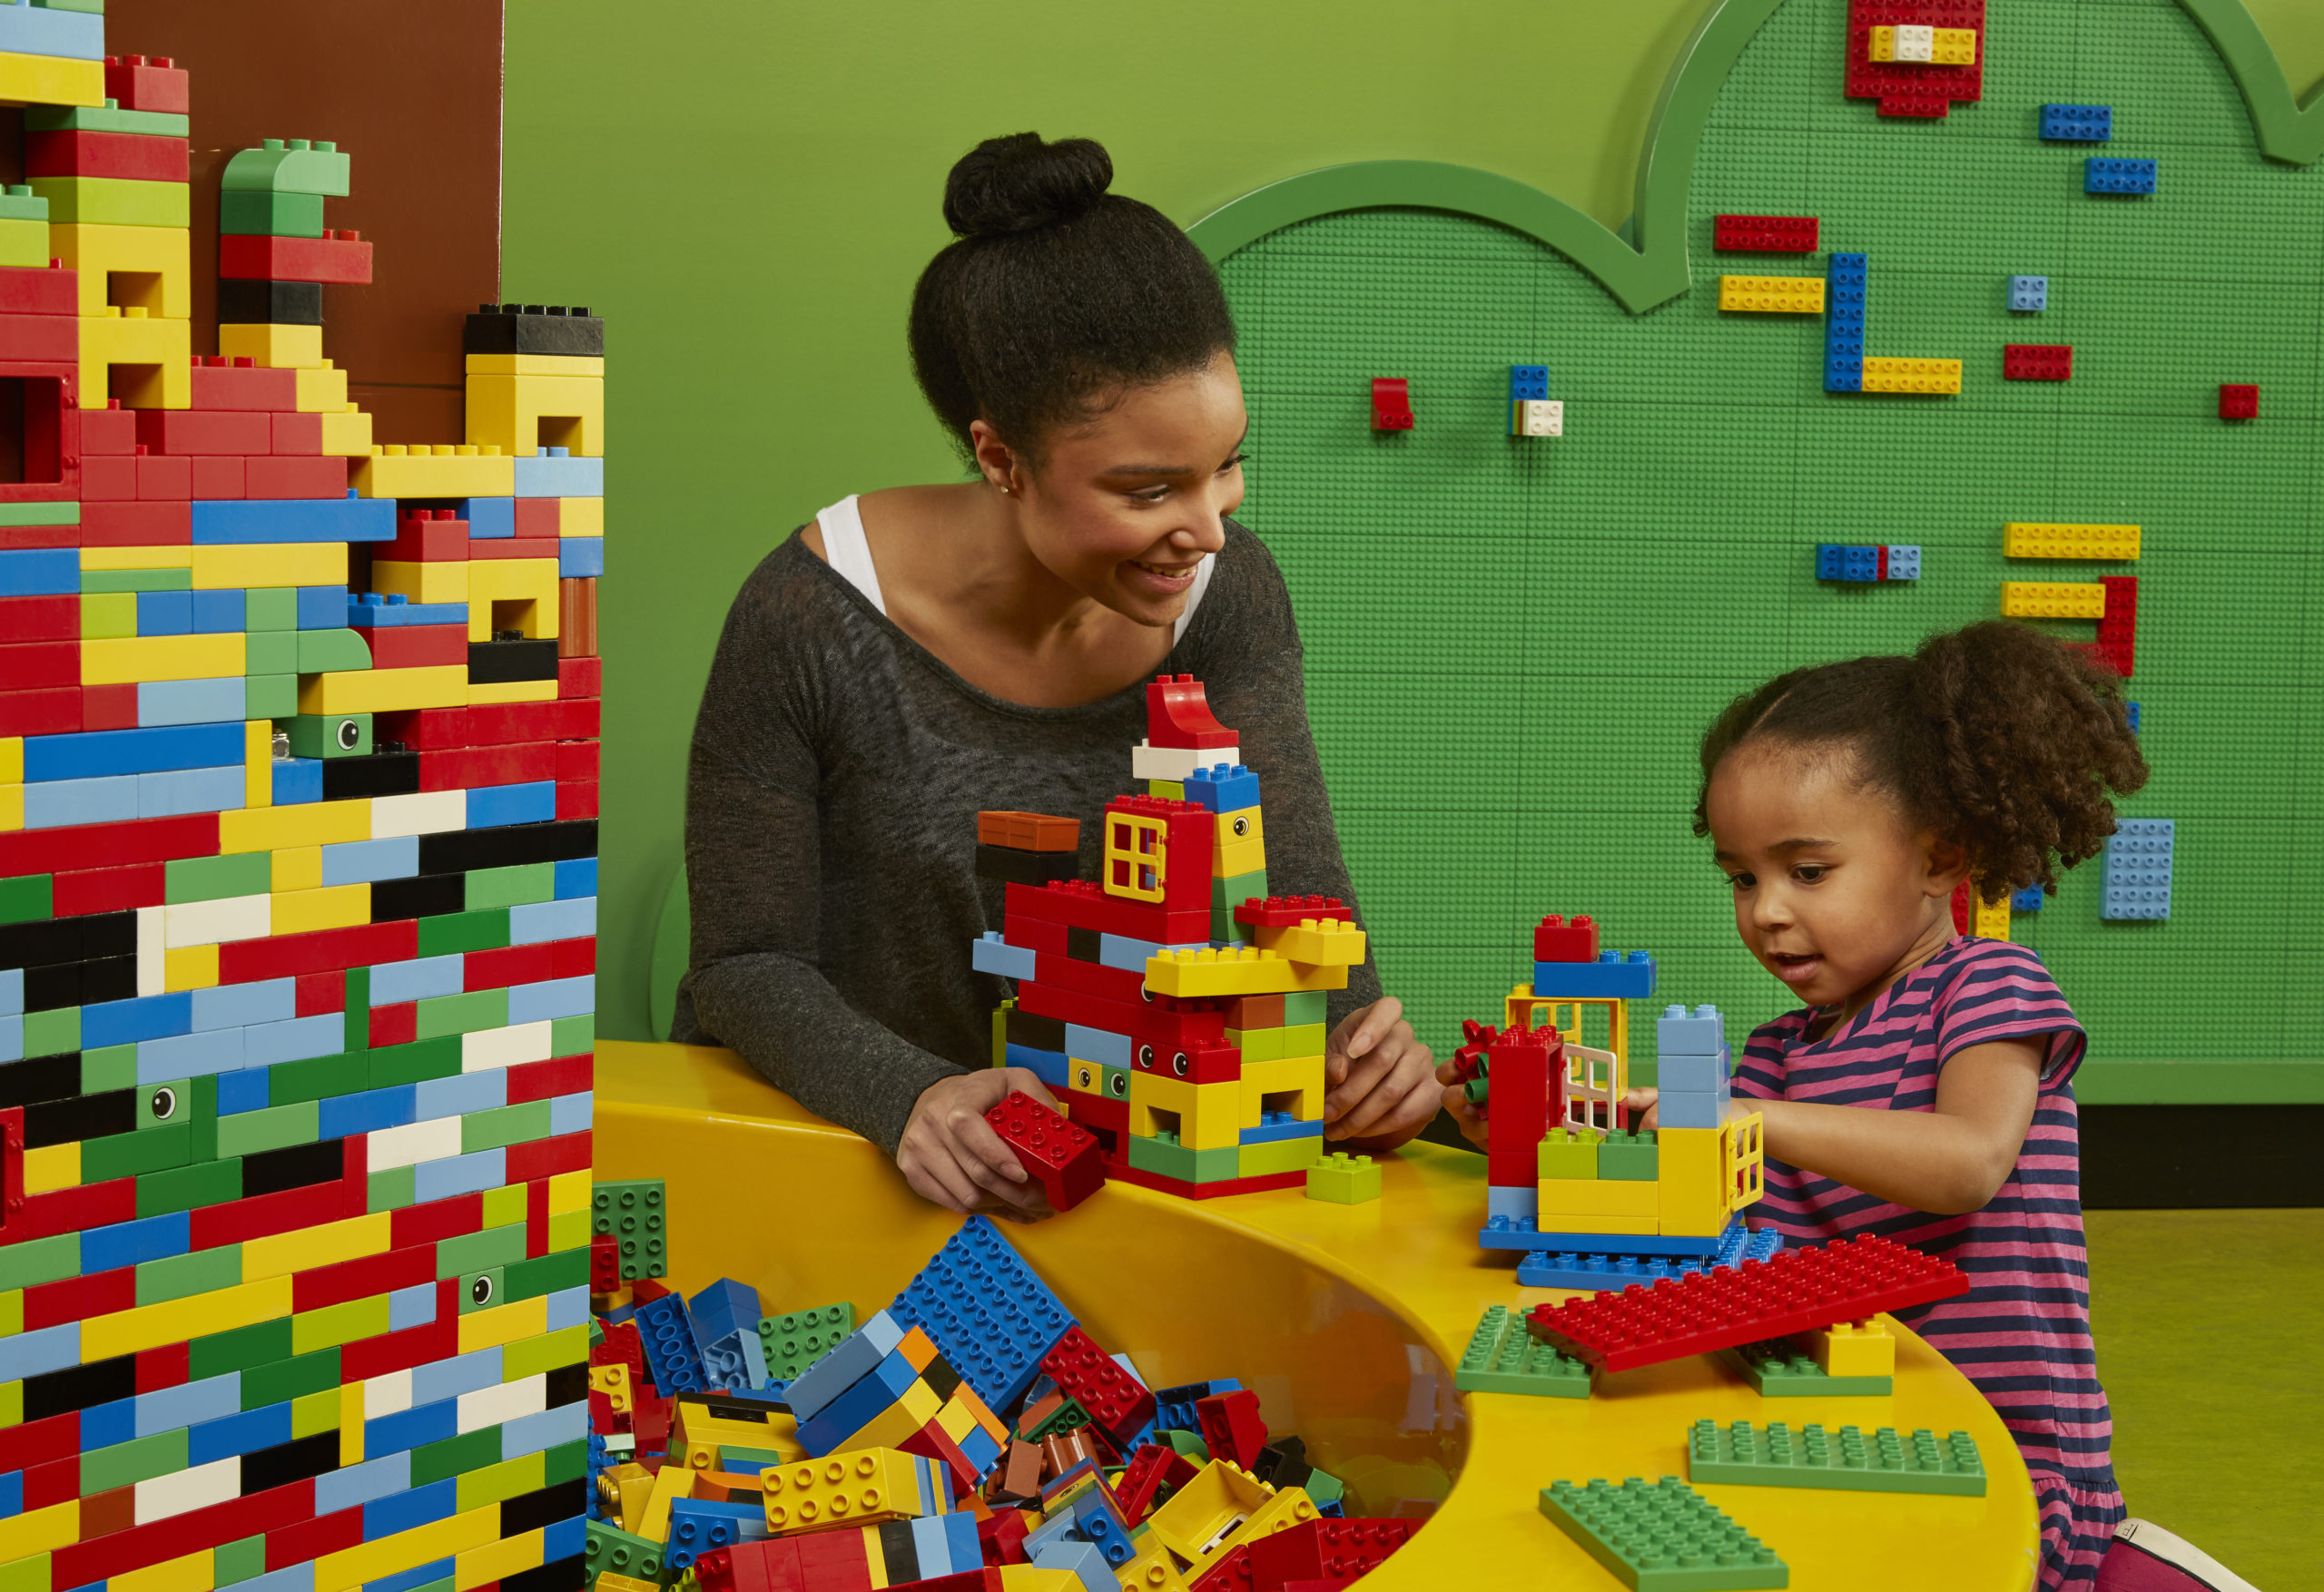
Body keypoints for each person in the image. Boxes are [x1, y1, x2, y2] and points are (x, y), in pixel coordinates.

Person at [675, 133, 1442, 1217]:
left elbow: (1293, 908)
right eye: (1146, 489)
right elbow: (747, 963)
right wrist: (913, 1095)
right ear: (999, 459)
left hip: (1113, 1164)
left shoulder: (1232, 596)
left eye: (1227, 465)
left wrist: (1362, 1060)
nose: (1207, 528)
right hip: (843, 1156)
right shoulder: (808, 612)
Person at [1439, 621, 2178, 1589]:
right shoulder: (1779, 1052)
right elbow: (1707, 1216)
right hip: (1836, 1430)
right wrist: (1533, 1136)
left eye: (1807, 870)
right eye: (1742, 877)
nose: (1766, 910)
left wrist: (1745, 1118)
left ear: (1939, 857)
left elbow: (1967, 1161)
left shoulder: (1989, 987)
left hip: (2001, 1462)